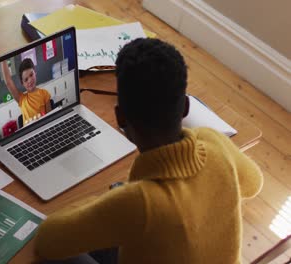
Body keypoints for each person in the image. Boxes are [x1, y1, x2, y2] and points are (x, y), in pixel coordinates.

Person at [34, 38, 263, 263]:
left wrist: (109, 201)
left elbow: (47, 240)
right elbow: (254, 183)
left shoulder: (138, 203)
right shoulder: (214, 142)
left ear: (120, 117)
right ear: (185, 106)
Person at [1, 58, 51, 125]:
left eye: (31, 75)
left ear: (35, 72)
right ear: (22, 83)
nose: (30, 80)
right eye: (26, 79)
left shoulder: (44, 93)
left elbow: (50, 119)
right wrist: (2, 58)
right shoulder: (21, 99)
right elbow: (8, 82)